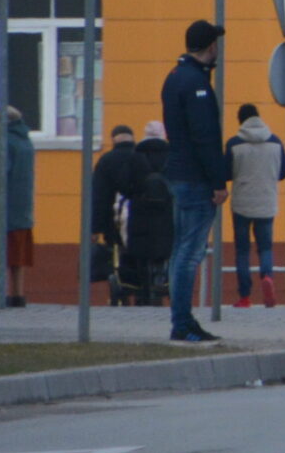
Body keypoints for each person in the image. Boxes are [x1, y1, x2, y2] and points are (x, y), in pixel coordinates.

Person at [160, 19, 230, 342]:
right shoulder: (196, 85)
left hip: (178, 173)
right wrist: (218, 181)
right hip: (195, 179)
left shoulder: (175, 77)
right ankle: (183, 323)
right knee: (190, 252)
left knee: (179, 251)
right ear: (209, 46)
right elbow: (204, 137)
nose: (219, 48)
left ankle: (180, 319)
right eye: (216, 42)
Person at [224, 103, 285, 308]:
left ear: (240, 120)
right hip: (266, 201)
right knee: (265, 247)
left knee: (242, 250)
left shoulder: (234, 144)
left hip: (241, 203)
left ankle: (244, 297)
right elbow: (283, 172)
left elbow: (226, 173)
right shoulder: (276, 142)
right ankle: (267, 277)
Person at [0, 106, 35, 307]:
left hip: (2, 206)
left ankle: (0, 293)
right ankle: (18, 294)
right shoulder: (25, 141)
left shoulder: (1, 143)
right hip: (22, 207)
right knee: (18, 255)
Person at [117, 123, 175, 307]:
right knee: (164, 252)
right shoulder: (171, 156)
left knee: (141, 255)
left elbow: (124, 186)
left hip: (140, 215)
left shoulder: (135, 156)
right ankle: (162, 286)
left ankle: (143, 292)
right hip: (165, 215)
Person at [91, 125, 142, 300]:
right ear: (132, 138)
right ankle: (144, 292)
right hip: (145, 223)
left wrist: (95, 228)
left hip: (113, 223)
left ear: (113, 139)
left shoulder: (106, 161)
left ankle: (120, 293)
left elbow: (99, 196)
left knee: (117, 259)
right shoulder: (142, 158)